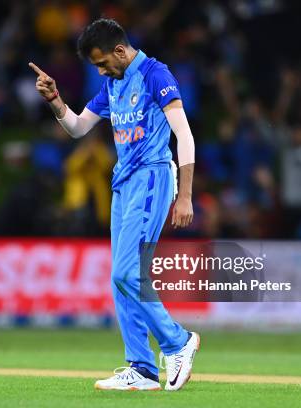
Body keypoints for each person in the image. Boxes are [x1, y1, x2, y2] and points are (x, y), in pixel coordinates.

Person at [30, 18, 198, 391]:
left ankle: (177, 342)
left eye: (102, 63)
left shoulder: (156, 75)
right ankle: (141, 368)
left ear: (120, 51)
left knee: (127, 273)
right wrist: (55, 100)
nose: (101, 70)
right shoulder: (113, 84)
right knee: (120, 279)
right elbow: (77, 128)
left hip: (152, 178)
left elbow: (183, 134)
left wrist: (184, 195)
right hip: (122, 185)